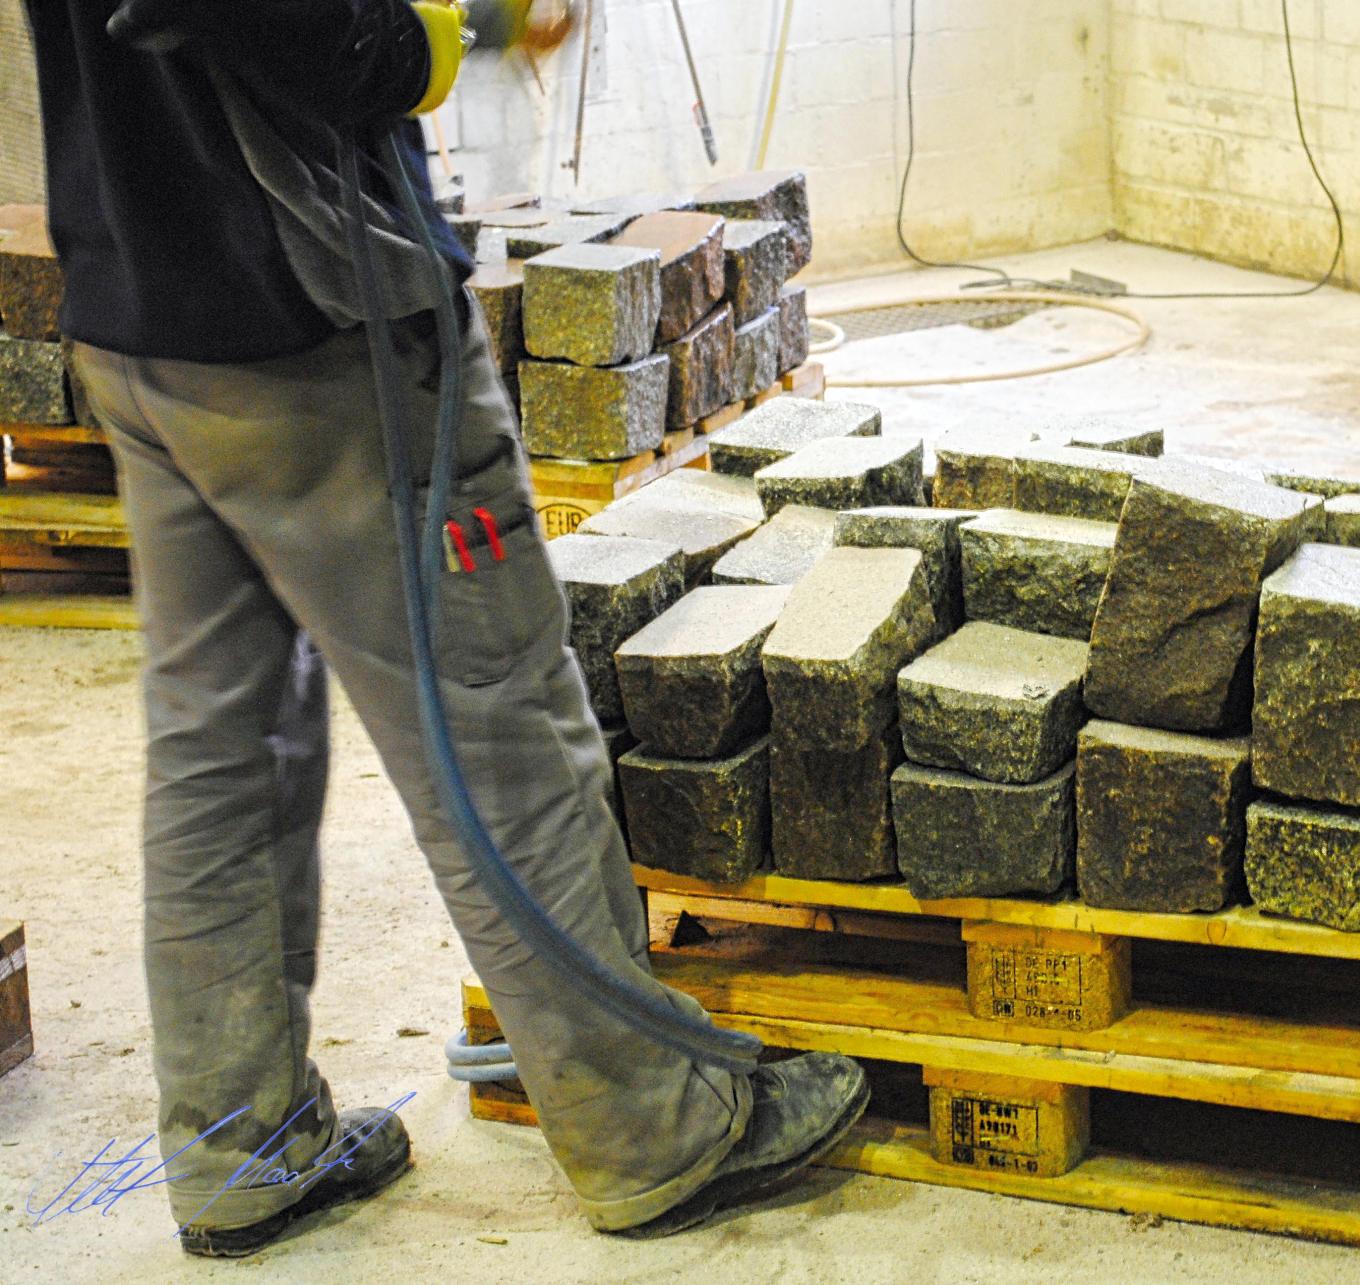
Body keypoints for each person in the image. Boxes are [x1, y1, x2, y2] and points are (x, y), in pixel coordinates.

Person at [20, 0, 867, 1255]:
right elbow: (308, 38)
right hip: (317, 324)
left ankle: (242, 1150)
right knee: (499, 726)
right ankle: (657, 1128)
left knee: (219, 753)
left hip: (144, 314)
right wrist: (439, 32)